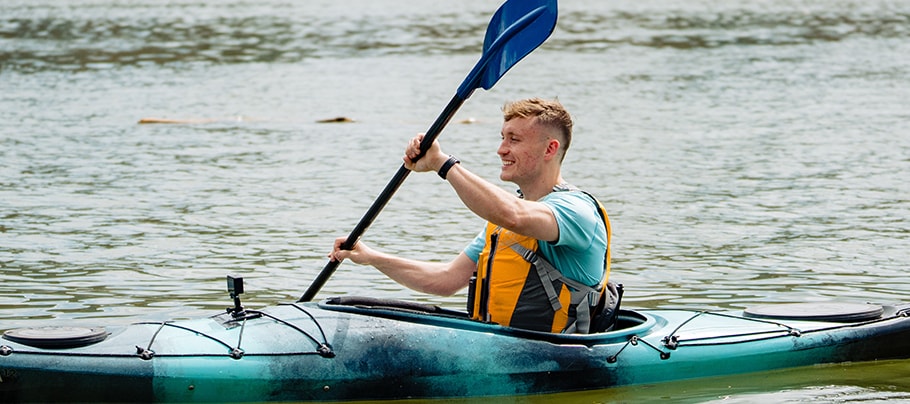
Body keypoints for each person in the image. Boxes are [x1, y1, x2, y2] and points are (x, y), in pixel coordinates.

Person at [329, 98, 613, 334]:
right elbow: (445, 280)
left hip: (556, 356)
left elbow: (514, 215)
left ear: (550, 148)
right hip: (498, 345)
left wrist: (442, 163)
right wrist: (370, 257)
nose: (501, 149)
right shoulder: (503, 226)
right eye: (502, 138)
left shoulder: (577, 212)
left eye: (514, 139)